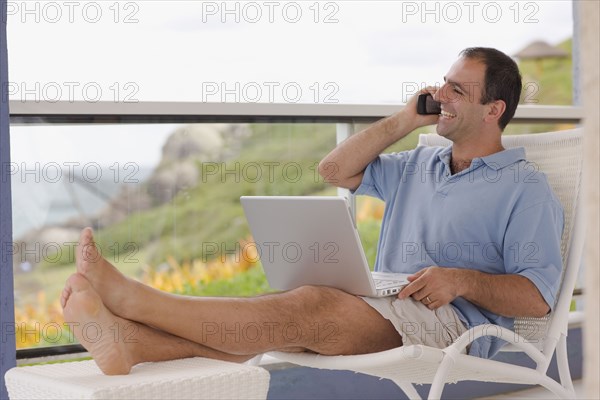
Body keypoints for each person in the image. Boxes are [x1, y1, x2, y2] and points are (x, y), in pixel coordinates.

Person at [61, 47, 564, 375]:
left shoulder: (525, 188)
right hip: (386, 298)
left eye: (459, 89)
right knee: (293, 315)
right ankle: (130, 344)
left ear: (494, 109)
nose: (441, 96)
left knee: (305, 310)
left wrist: (461, 280)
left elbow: (539, 297)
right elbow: (334, 170)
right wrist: (406, 119)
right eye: (443, 83)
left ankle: (134, 300)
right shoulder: (420, 162)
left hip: (455, 328)